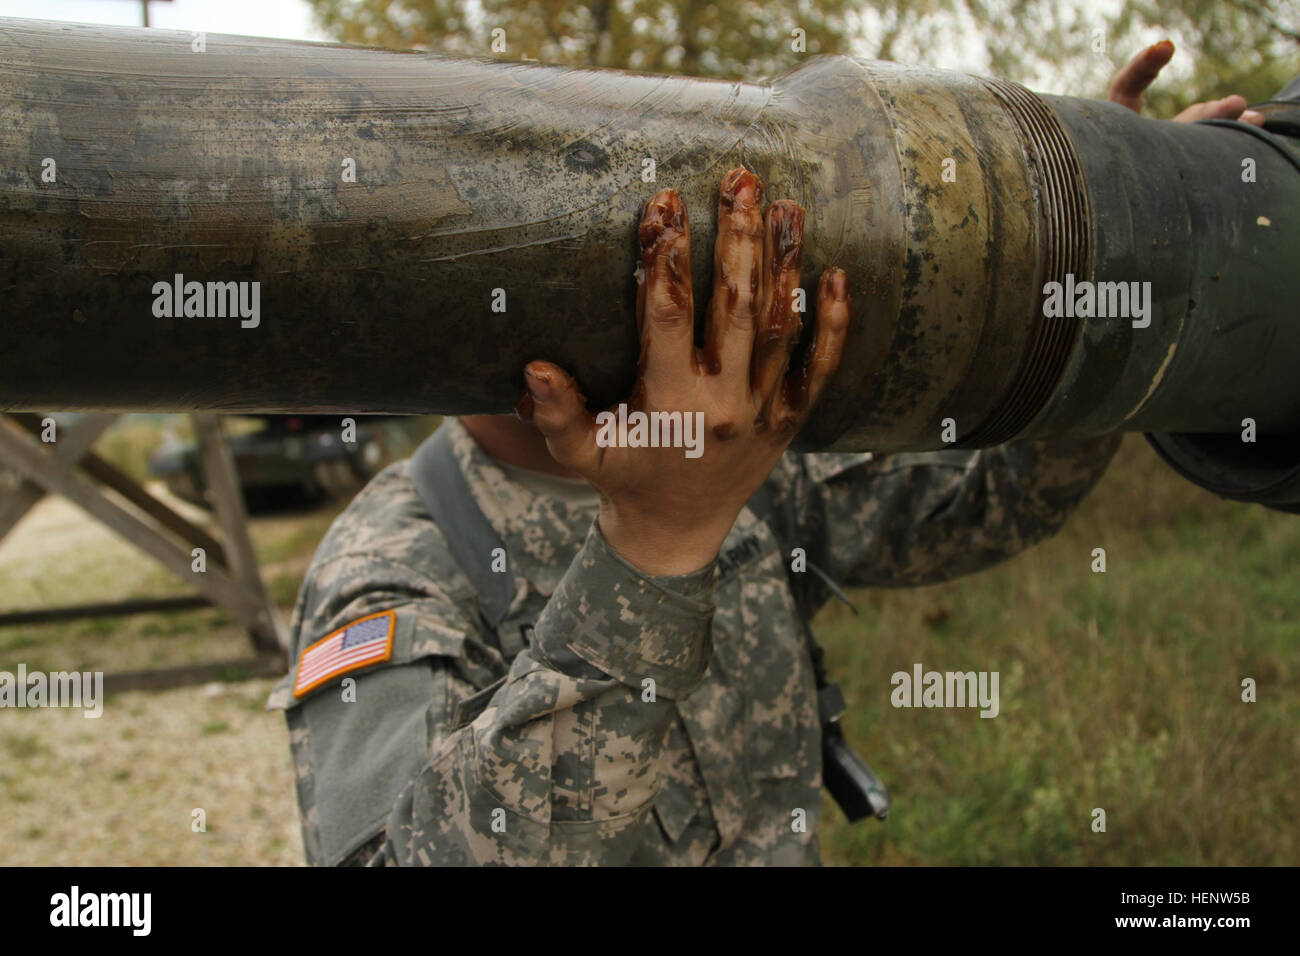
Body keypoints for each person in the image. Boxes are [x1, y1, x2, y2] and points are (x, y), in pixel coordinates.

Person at [267, 42, 1262, 866]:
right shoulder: (401, 563)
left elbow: (989, 501)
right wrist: (655, 542)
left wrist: (1109, 254)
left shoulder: (743, 457)